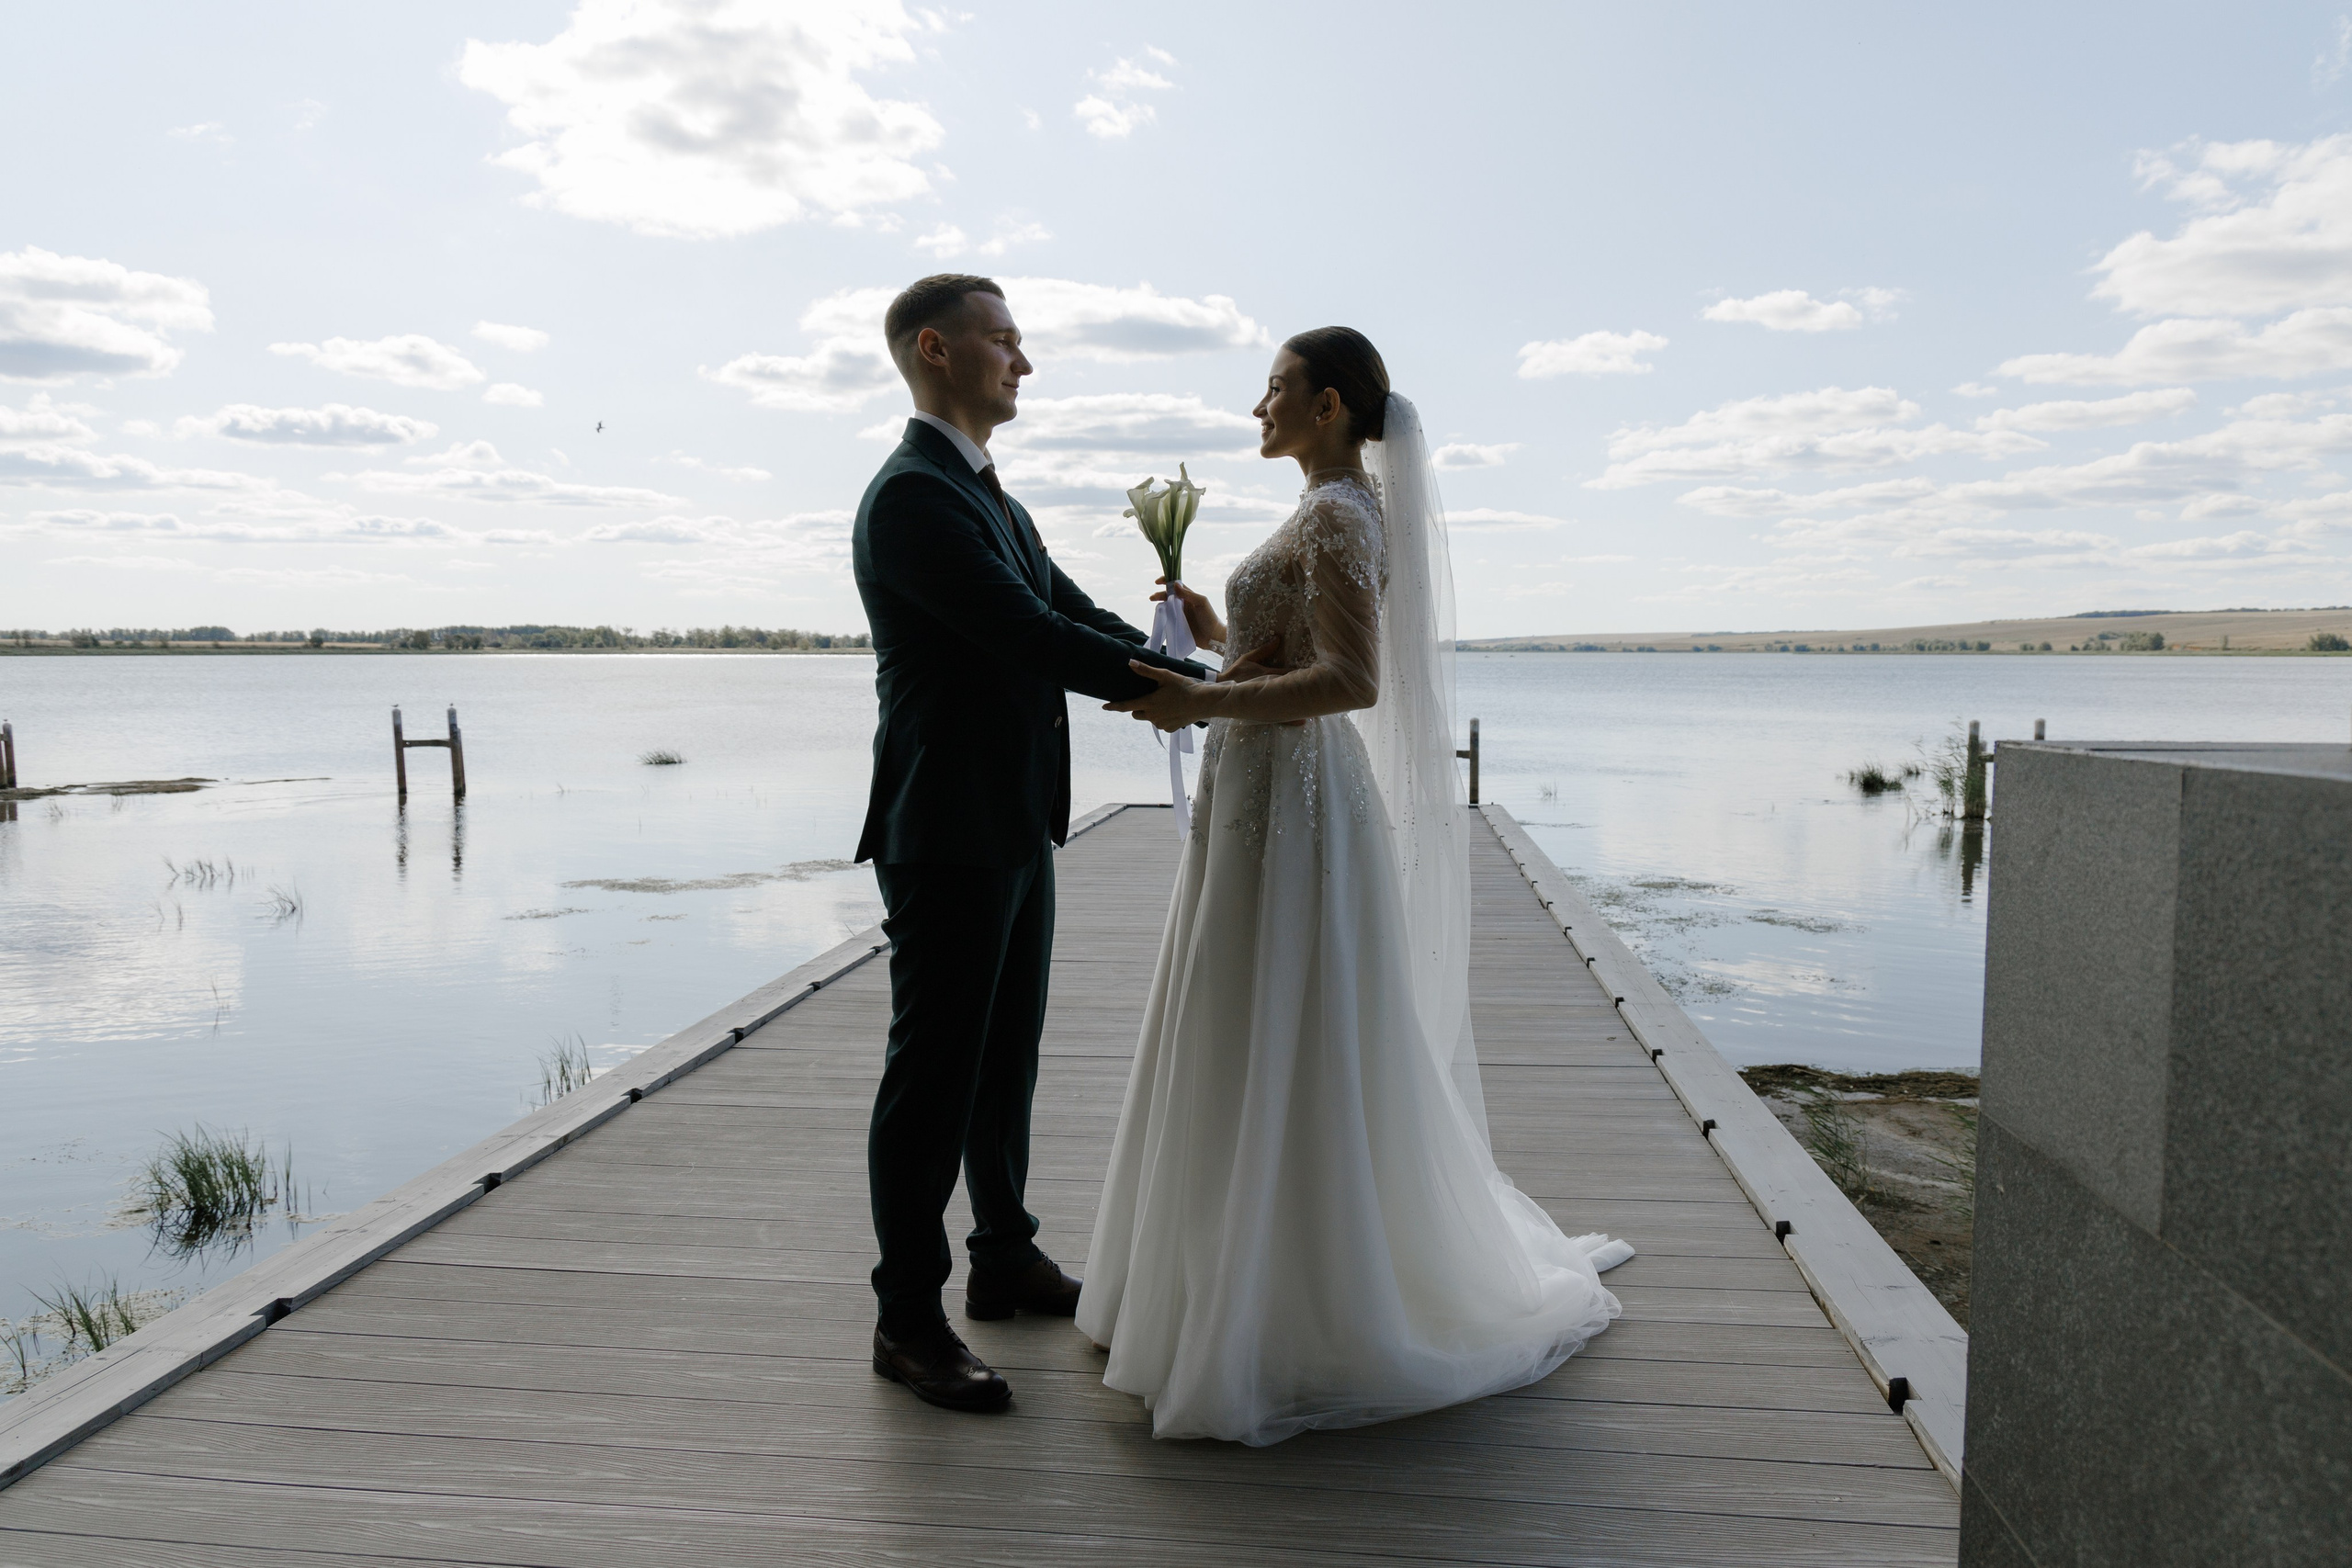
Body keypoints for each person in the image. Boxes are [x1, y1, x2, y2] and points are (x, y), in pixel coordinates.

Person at [1079, 327, 1635, 1444]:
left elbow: (1350, 681)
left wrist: (1198, 702)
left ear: (1328, 404)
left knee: (1281, 1011)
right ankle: (1230, 1280)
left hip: (1294, 798)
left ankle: (1282, 1302)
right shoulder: (1327, 510)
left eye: (1275, 389)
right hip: (1265, 788)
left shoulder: (1338, 512)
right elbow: (1295, 654)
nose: (1258, 408)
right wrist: (1219, 637)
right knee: (1252, 1010)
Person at [851, 274, 1213, 1412]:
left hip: (1009, 815)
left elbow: (1073, 612)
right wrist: (1192, 697)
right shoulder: (912, 498)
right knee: (934, 1074)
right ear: (935, 349)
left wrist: (1201, 676)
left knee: (1005, 1053)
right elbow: (1028, 634)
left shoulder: (986, 496)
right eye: (1004, 340)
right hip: (945, 823)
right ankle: (907, 1319)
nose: (1024, 361)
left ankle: (1003, 1256)